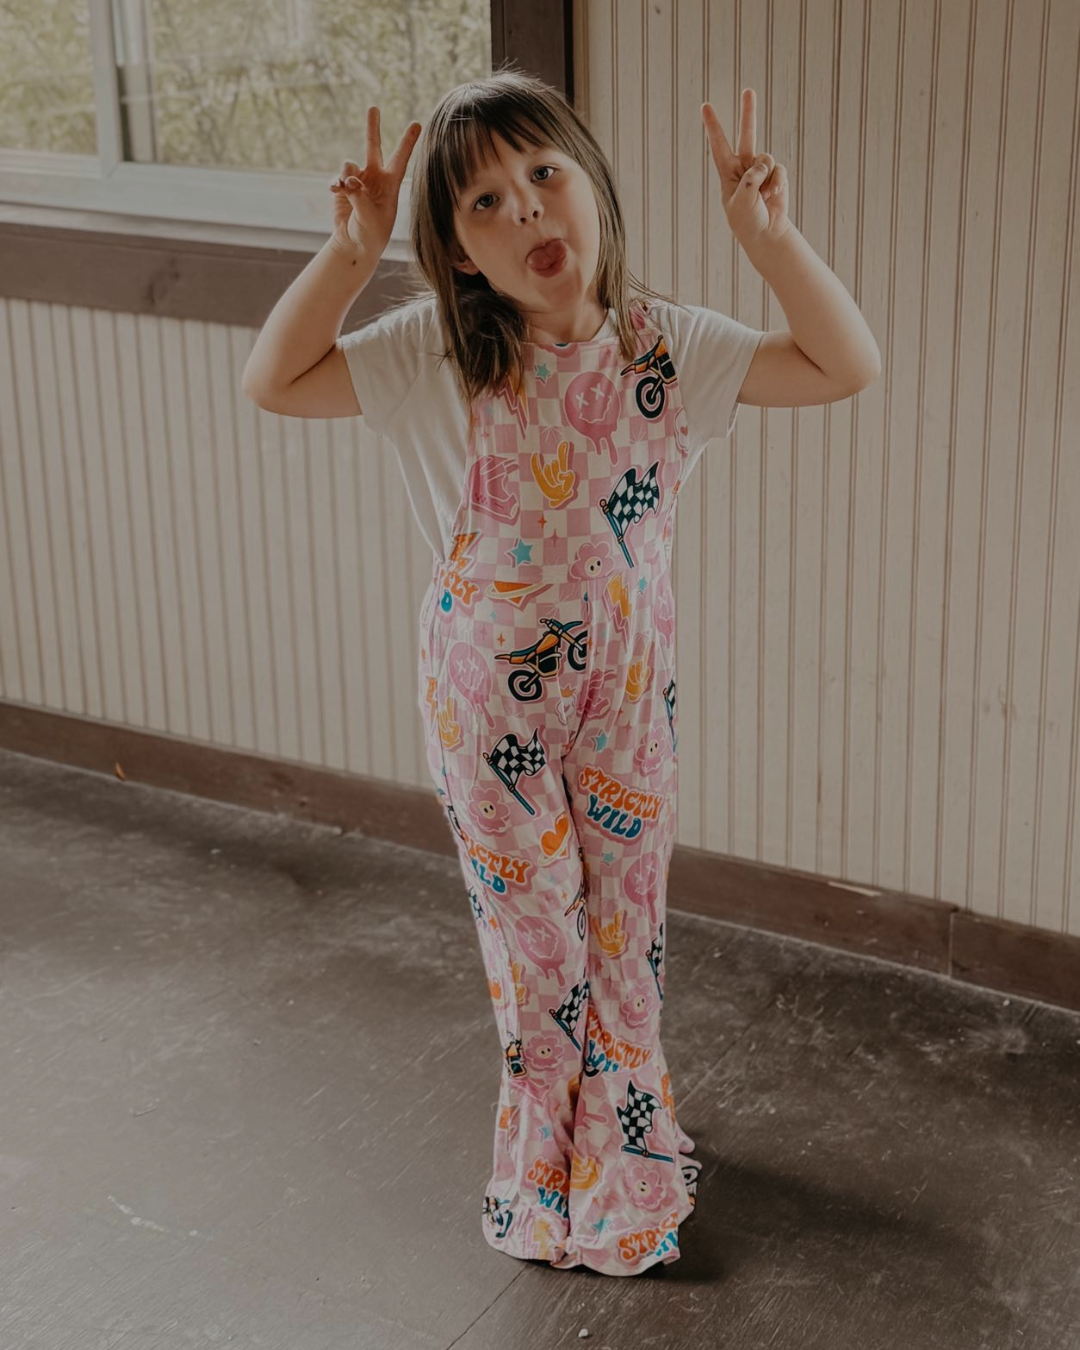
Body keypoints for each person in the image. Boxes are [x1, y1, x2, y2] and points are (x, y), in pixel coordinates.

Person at [242, 69, 880, 1277]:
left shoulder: (668, 346)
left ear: (593, 185)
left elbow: (846, 364)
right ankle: (545, 1173)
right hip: (491, 718)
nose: (527, 212)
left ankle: (627, 1157)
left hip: (631, 704)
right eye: (482, 202)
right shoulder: (436, 353)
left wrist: (773, 240)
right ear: (457, 253)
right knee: (540, 953)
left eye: (545, 174)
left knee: (625, 937)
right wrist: (347, 255)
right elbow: (273, 382)